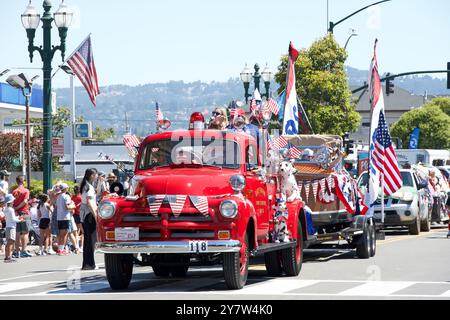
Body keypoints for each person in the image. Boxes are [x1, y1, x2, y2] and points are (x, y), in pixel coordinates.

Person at [80, 168, 99, 270]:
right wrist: (95, 215)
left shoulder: (85, 185)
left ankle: (87, 264)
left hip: (84, 214)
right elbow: (90, 202)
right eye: (96, 175)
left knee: (87, 240)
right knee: (91, 240)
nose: (96, 176)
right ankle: (90, 264)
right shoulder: (89, 187)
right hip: (89, 214)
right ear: (92, 175)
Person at [12, 175, 32, 258]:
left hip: (16, 213)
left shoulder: (14, 191)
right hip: (24, 213)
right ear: (23, 181)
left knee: (17, 233)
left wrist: (15, 208)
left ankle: (17, 251)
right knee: (25, 233)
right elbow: (25, 201)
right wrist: (18, 207)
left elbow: (12, 202)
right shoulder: (26, 190)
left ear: (17, 182)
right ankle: (23, 250)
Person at [55, 183, 76, 256]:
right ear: (66, 188)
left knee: (61, 234)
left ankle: (60, 249)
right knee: (65, 234)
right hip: (65, 217)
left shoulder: (58, 196)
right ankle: (61, 250)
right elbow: (67, 207)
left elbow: (57, 206)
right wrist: (73, 206)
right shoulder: (66, 196)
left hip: (59, 217)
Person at [3, 194, 22, 263]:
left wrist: (17, 218)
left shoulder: (6, 209)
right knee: (11, 242)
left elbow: (10, 218)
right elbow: (13, 219)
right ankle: (8, 257)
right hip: (12, 227)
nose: (13, 202)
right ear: (10, 202)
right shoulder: (11, 209)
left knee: (9, 242)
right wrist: (20, 219)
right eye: (12, 201)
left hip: (8, 226)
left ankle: (7, 256)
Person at [71, 185, 83, 251]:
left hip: (74, 215)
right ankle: (81, 246)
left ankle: (76, 245)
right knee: (83, 231)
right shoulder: (81, 197)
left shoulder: (72, 197)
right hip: (79, 215)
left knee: (76, 231)